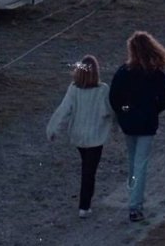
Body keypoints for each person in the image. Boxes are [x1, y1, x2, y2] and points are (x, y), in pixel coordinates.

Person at [109, 31, 165, 223]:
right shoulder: (157, 74)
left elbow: (114, 98)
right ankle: (135, 206)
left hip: (128, 123)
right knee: (140, 164)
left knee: (133, 161)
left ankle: (133, 197)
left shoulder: (123, 72)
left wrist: (125, 112)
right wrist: (152, 110)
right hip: (147, 123)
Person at [46, 54, 113, 219]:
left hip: (78, 135)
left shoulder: (73, 89)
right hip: (95, 137)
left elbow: (63, 109)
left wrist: (52, 128)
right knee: (89, 172)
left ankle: (85, 203)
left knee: (86, 167)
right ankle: (84, 206)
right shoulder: (103, 90)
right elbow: (109, 111)